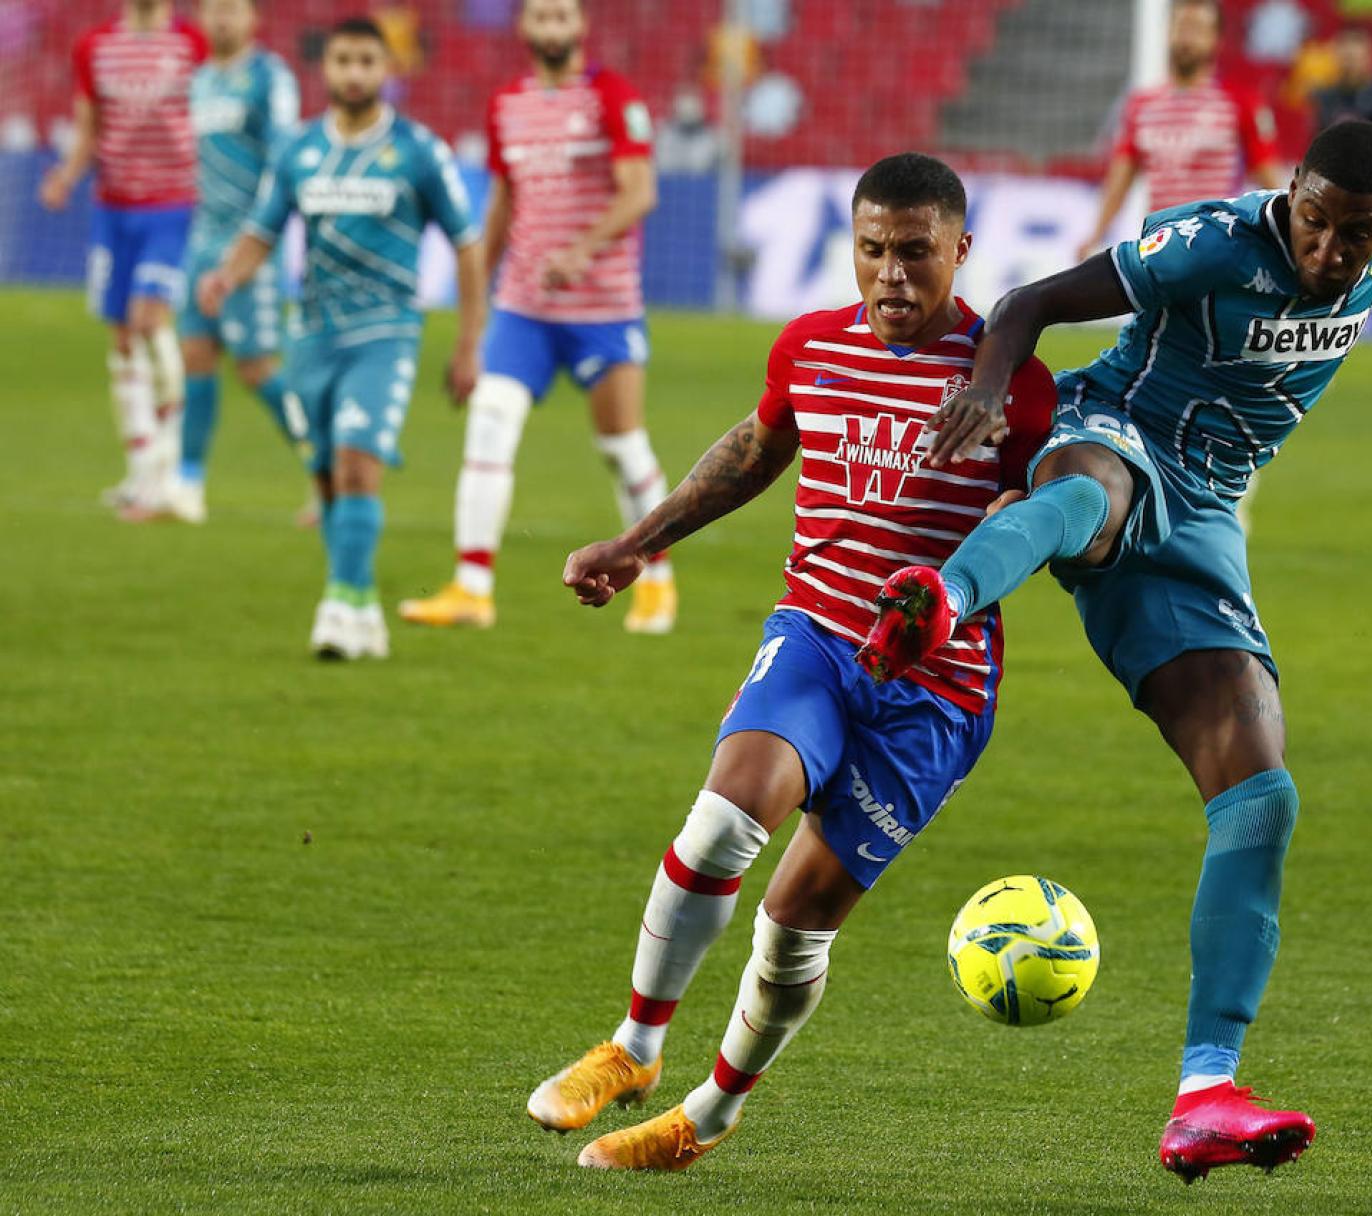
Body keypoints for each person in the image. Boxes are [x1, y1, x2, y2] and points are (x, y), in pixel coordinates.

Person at [857, 109, 1372, 1183]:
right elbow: (1030, 302)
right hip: (1116, 434)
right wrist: (982, 387)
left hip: (1205, 520)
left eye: (1358, 235)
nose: (1331, 251)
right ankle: (941, 598)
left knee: (1261, 794)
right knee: (1089, 494)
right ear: (1291, 192)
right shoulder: (1212, 243)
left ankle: (1204, 1093)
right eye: (1318, 223)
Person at [539, 153, 1056, 1170]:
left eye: (916, 252)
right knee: (725, 817)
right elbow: (756, 449)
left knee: (792, 924)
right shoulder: (811, 348)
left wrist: (1001, 521)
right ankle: (634, 1047)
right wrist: (637, 542)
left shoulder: (1014, 384)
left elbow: (1043, 515)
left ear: (961, 249)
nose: (892, 274)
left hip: (936, 690)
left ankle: (705, 1117)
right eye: (872, 251)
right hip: (818, 635)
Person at [196, 17, 485, 660]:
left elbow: (468, 248)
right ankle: (363, 613)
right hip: (313, 338)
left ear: (387, 71)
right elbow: (261, 232)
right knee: (326, 475)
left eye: (366, 61)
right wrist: (225, 278)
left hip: (384, 336)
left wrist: (469, 344)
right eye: (343, 61)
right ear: (324, 70)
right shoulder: (298, 152)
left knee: (359, 464)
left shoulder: (416, 150)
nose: (354, 72)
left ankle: (338, 602)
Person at [399, 0, 678, 635]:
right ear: (525, 27)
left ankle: (657, 577)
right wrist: (470, 328)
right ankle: (472, 588)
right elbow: (501, 205)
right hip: (522, 308)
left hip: (602, 308)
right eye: (541, 17)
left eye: (562, 17)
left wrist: (581, 249)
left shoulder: (610, 95)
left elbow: (640, 190)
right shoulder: (506, 105)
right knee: (488, 429)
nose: (552, 28)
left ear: (580, 25)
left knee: (620, 446)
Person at [39, 0, 206, 519]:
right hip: (113, 210)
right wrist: (67, 175)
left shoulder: (191, 45)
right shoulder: (94, 46)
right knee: (121, 336)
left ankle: (168, 470)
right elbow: (90, 126)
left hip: (173, 204)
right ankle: (138, 471)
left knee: (150, 319)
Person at [151, 0, 300, 525]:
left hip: (250, 242)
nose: (222, 19)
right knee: (195, 355)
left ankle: (326, 474)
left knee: (256, 367)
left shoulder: (269, 76)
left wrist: (254, 240)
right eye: (213, 9)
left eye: (232, 9)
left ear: (253, 17)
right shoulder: (200, 80)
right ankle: (186, 485)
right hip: (202, 239)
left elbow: (283, 162)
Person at [1075, 0, 1285, 263]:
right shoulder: (1141, 106)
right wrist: (1096, 234)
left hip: (1218, 246)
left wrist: (1287, 232)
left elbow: (1268, 175)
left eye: (1197, 29)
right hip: (1160, 248)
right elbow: (1121, 176)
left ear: (1215, 40)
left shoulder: (1240, 102)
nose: (1187, 38)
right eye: (1181, 27)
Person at [1312, 27, 1372, 131]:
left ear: (1371, 54)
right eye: (1346, 58)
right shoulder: (1325, 96)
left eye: (1354, 58)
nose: (1350, 63)